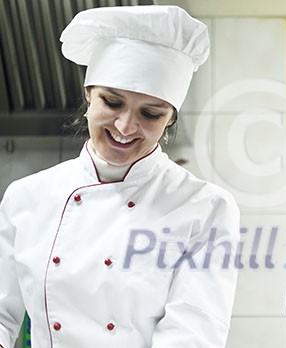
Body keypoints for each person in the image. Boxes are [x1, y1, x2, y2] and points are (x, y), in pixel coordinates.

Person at [0, 5, 240, 348]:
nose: (126, 127)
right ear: (88, 96)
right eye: (112, 102)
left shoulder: (206, 208)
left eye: (151, 113)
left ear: (169, 119)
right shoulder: (26, 197)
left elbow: (193, 333)